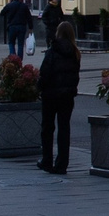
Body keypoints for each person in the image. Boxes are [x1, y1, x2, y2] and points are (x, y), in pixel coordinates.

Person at [38, 22, 81, 176]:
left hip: (50, 95)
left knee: (47, 128)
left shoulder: (52, 50)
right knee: (64, 129)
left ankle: (47, 160)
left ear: (58, 33)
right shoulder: (75, 53)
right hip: (67, 96)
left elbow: (45, 72)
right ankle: (62, 164)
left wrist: (39, 87)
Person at [1, 0, 34, 64]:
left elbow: (2, 13)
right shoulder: (24, 6)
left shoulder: (9, 5)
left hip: (12, 26)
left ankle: (13, 58)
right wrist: (30, 27)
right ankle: (19, 59)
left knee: (11, 42)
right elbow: (29, 17)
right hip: (22, 26)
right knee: (20, 44)